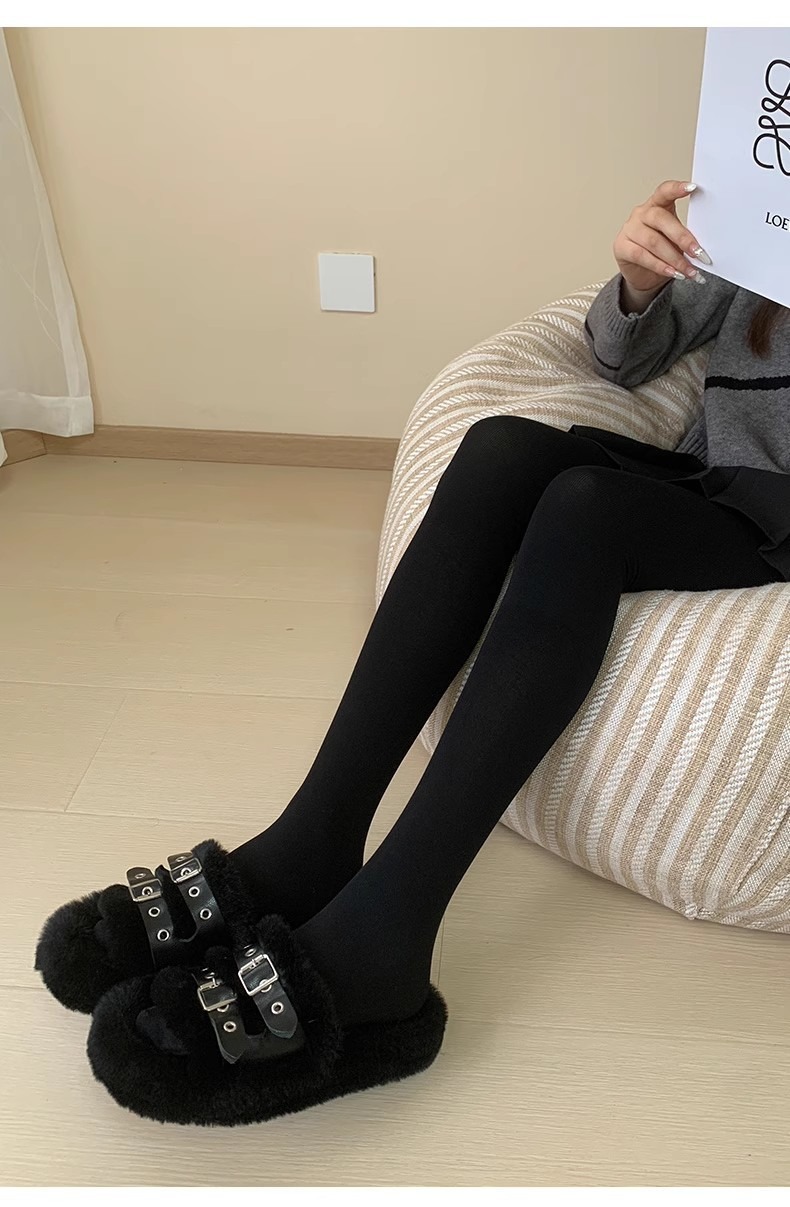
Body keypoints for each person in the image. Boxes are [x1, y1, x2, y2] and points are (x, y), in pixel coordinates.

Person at [37, 180, 790, 1126]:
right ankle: (308, 845)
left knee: (586, 512)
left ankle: (386, 940)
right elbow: (622, 357)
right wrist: (641, 280)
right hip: (714, 475)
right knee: (499, 449)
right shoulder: (767, 180)